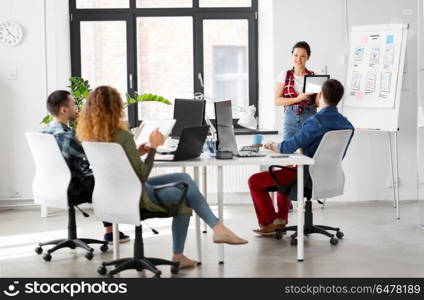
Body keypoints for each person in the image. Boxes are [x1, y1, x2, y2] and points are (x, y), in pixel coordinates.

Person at [76, 86, 248, 269]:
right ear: (114, 108)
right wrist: (154, 147)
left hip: (111, 196)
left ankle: (217, 229)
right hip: (136, 196)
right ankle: (191, 246)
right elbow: (142, 174)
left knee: (183, 177)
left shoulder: (90, 137)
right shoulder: (123, 136)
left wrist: (138, 151)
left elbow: (119, 166)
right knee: (184, 194)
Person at [249, 79, 354, 235]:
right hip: (328, 176)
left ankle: (270, 223)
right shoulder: (347, 125)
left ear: (320, 95)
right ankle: (281, 220)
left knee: (255, 181)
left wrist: (271, 145)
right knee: (287, 172)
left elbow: (287, 147)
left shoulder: (316, 121)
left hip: (306, 177)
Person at [42, 90, 130, 244]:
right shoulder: (66, 136)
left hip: (52, 186)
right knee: (107, 182)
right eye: (73, 105)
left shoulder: (45, 132)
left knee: (100, 179)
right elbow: (94, 154)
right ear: (64, 110)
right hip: (73, 186)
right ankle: (111, 232)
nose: (77, 109)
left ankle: (110, 230)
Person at [275, 41, 317, 141]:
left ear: (308, 57)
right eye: (296, 55)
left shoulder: (314, 76)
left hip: (309, 117)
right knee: (287, 150)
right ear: (292, 55)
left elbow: (317, 103)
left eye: (302, 56)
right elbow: (276, 100)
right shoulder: (284, 74)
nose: (298, 59)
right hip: (290, 117)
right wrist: (298, 98)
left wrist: (322, 92)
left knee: (308, 151)